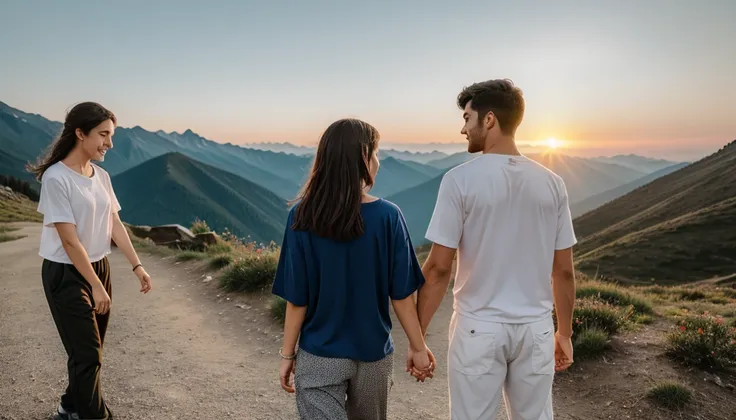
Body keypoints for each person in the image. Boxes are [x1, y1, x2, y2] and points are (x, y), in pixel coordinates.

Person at [411, 79, 577, 419]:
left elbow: (439, 268)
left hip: (479, 327)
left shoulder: (460, 180)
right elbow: (563, 271)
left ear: (489, 120)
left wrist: (418, 338)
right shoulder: (552, 183)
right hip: (535, 328)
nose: (463, 128)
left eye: (467, 118)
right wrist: (564, 332)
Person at [271, 118, 434, 419]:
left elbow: (297, 299)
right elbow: (401, 295)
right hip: (373, 355)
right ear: (363, 157)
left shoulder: (301, 216)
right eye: (376, 154)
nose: (378, 162)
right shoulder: (388, 216)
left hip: (319, 355)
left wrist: (287, 354)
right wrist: (419, 347)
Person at [28, 102, 153, 420]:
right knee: (87, 354)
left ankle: (69, 406)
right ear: (80, 133)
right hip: (65, 273)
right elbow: (69, 241)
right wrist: (95, 286)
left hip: (99, 266)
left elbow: (114, 223)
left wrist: (137, 266)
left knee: (89, 351)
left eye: (111, 135)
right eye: (103, 135)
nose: (110, 144)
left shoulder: (101, 176)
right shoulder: (57, 178)